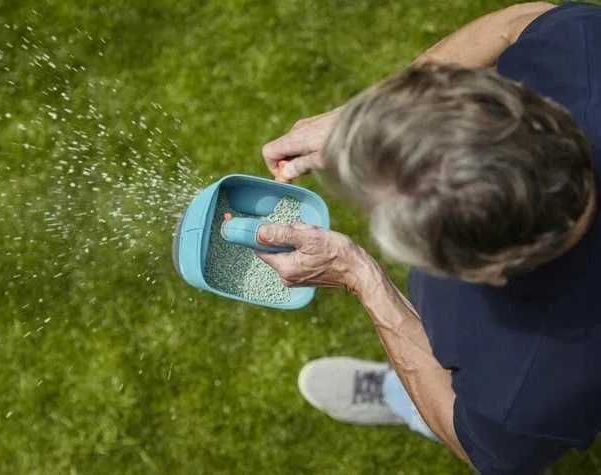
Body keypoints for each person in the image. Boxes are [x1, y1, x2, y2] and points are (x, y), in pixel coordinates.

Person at [255, 2, 601, 473]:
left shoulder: (528, 389)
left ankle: (404, 396)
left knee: (443, 394)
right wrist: (373, 116)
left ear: (487, 271)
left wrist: (361, 276)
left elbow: (474, 441)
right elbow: (514, 26)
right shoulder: (584, 51)